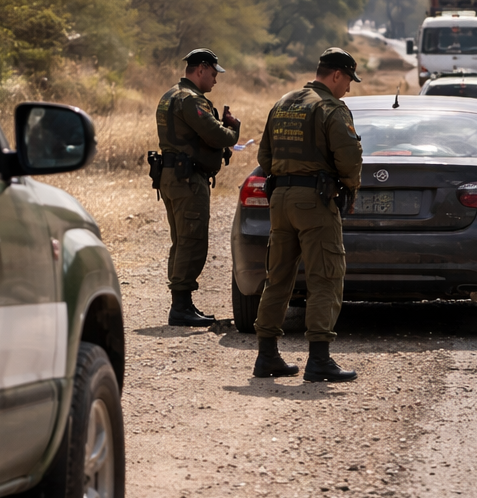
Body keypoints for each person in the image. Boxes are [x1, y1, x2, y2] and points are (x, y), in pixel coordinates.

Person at [250, 47, 364, 382]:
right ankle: (319, 360)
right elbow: (349, 161)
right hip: (314, 202)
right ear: (336, 75)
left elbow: (265, 157)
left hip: (280, 200)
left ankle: (267, 356)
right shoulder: (330, 108)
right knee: (325, 276)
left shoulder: (283, 102)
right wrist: (349, 187)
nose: (349, 89)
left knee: (278, 278)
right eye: (348, 81)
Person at [156, 48, 240, 326]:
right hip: (188, 179)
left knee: (181, 239)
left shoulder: (170, 95)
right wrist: (233, 130)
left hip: (172, 176)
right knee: (192, 240)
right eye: (214, 74)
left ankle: (181, 304)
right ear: (201, 69)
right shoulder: (191, 99)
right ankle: (181, 307)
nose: (215, 80)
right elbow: (216, 135)